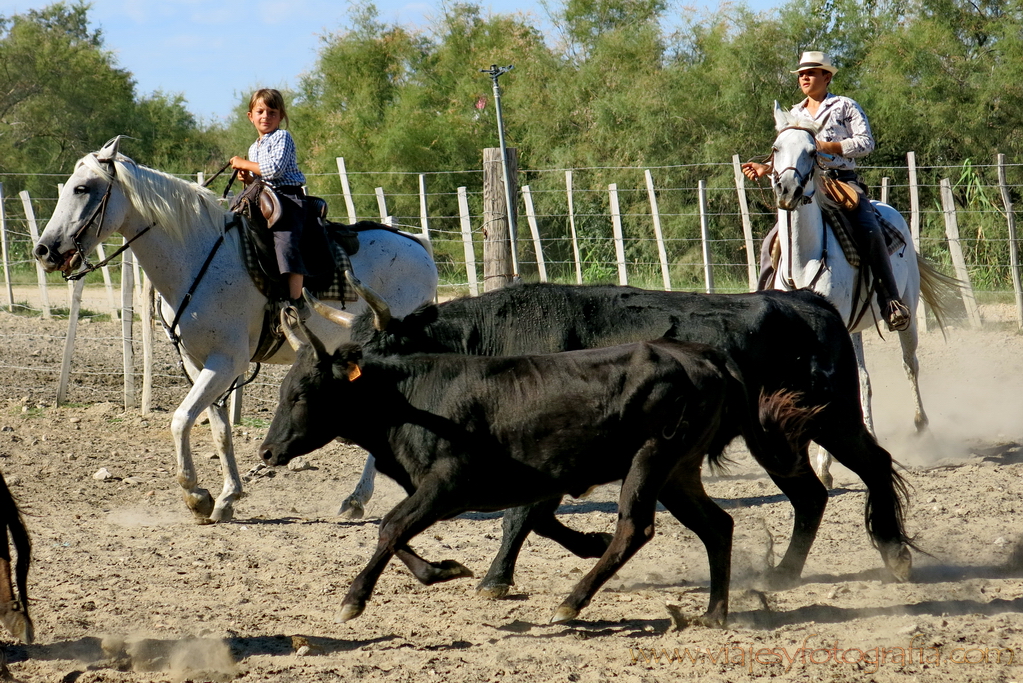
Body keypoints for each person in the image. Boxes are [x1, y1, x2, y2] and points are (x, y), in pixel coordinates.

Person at [742, 51, 911, 332]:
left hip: (842, 181)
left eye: (811, 73)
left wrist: (826, 147)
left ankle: (890, 301)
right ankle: (760, 302)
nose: (804, 78)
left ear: (827, 76)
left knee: (869, 227)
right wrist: (765, 168)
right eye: (801, 74)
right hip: (806, 184)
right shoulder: (792, 114)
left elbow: (866, 143)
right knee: (771, 241)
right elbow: (788, 156)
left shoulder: (845, 106)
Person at [230, 88, 310, 308]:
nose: (266, 116)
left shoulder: (282, 137)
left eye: (272, 112)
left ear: (281, 117)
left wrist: (243, 163)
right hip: (264, 199)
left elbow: (274, 170)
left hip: (288, 200)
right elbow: (261, 178)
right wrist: (247, 179)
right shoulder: (254, 147)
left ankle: (296, 304)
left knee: (287, 245)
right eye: (260, 111)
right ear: (251, 116)